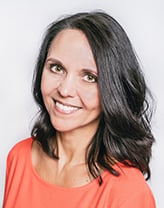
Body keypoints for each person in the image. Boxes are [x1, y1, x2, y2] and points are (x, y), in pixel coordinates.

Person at [3, 11, 156, 207]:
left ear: (113, 89)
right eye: (57, 68)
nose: (65, 90)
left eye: (89, 77)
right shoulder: (19, 157)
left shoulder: (128, 192)